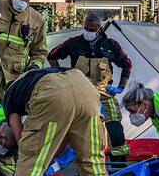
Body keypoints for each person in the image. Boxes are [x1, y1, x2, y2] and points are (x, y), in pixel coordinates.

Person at [0, 67, 107, 176]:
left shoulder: (10, 95)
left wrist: (37, 157)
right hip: (86, 89)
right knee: (93, 162)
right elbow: (65, 135)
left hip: (53, 92)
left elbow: (21, 139)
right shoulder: (41, 75)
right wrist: (51, 155)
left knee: (29, 169)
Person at [48, 11, 133, 161]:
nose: (88, 32)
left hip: (104, 93)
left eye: (92, 30)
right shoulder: (74, 43)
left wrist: (120, 87)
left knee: (114, 127)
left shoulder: (110, 45)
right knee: (79, 127)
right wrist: (62, 76)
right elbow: (52, 55)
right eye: (86, 29)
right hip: (80, 94)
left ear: (99, 29)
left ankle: (118, 162)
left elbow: (127, 64)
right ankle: (79, 160)